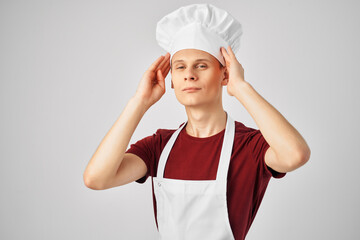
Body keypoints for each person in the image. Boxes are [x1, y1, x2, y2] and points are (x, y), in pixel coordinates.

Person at [83, 3, 311, 240]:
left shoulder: (250, 146)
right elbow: (97, 179)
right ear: (172, 80)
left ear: (225, 74)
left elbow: (295, 154)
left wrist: (242, 88)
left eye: (201, 65)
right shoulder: (159, 146)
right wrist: (139, 102)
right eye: (180, 67)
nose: (189, 74)